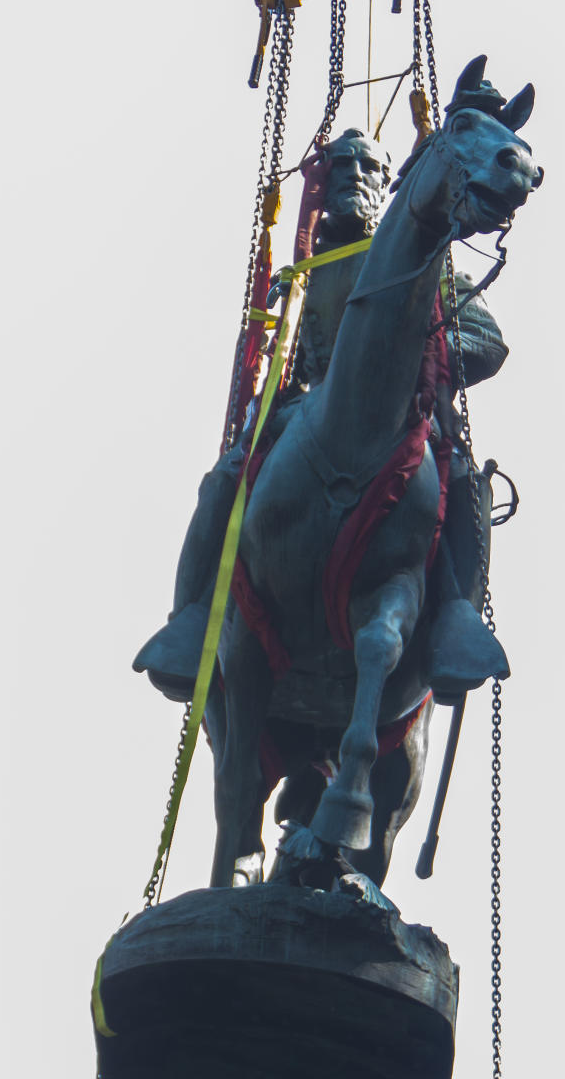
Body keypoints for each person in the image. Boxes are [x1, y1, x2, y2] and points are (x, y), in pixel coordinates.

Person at [133, 127, 509, 703]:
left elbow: (488, 342)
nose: (353, 178)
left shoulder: (427, 266)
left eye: (367, 169)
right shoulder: (305, 270)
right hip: (306, 408)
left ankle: (454, 620)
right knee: (226, 478)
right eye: (341, 168)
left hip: (406, 413)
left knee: (462, 482)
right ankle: (190, 620)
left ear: (386, 186)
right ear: (321, 183)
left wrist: (421, 351)